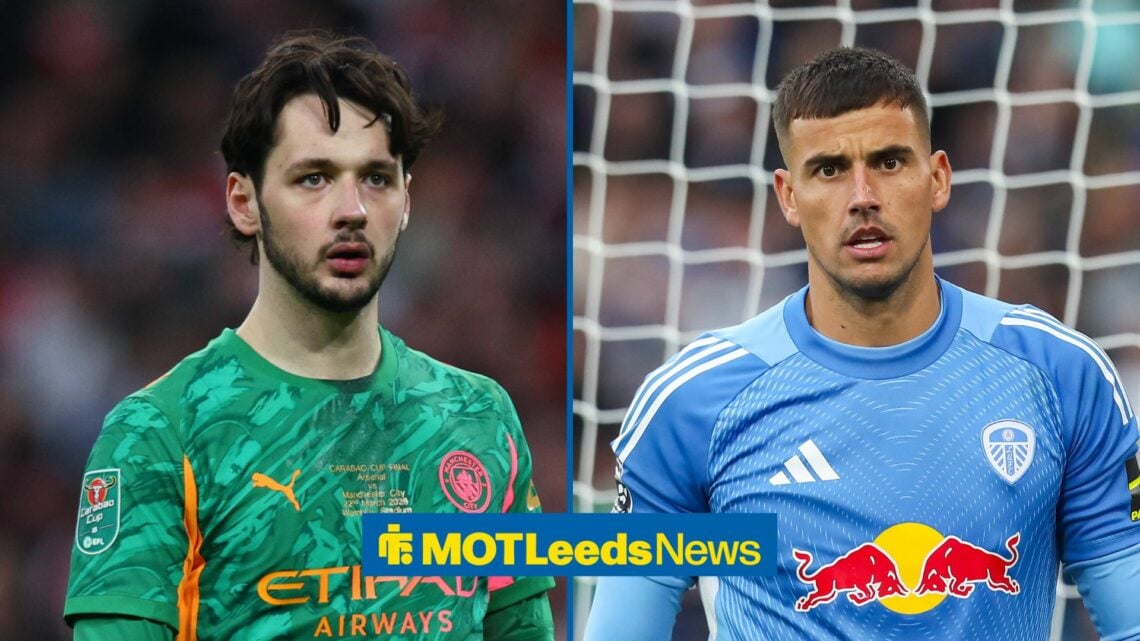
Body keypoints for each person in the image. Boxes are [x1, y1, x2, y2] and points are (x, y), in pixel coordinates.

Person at [584, 47, 1140, 640]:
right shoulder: (692, 402)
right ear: (788, 196)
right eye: (828, 169)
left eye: (890, 161)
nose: (863, 195)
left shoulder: (1060, 375)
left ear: (939, 178)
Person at [64, 31, 554, 641]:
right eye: (314, 178)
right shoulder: (161, 431)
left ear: (405, 202)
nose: (351, 209)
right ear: (245, 202)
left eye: (376, 178)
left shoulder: (481, 417)